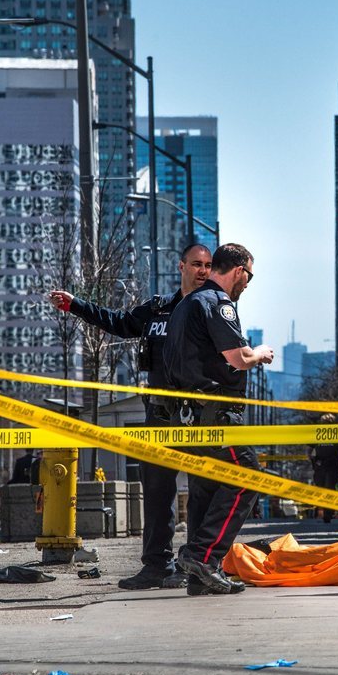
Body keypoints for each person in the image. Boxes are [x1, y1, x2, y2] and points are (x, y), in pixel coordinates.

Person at [48, 243, 213, 591]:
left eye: (208, 265)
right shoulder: (158, 309)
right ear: (181, 266)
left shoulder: (211, 310)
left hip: (199, 414)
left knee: (202, 490)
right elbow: (119, 323)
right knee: (157, 491)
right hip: (160, 414)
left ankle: (196, 565)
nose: (202, 271)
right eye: (196, 264)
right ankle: (156, 566)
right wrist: (76, 305)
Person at [163, 242, 275, 596]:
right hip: (215, 416)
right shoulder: (217, 303)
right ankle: (202, 557)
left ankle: (200, 577)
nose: (247, 285)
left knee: (206, 490)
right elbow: (238, 359)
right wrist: (260, 353)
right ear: (239, 271)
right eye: (249, 277)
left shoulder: (185, 305)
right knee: (246, 477)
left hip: (188, 416)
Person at [307, 414, 338, 523]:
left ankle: (328, 513)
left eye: (328, 423)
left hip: (333, 465)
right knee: (321, 487)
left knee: (329, 487)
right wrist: (313, 461)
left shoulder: (336, 434)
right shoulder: (317, 434)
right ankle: (325, 510)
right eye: (324, 423)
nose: (325, 425)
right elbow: (309, 450)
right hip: (321, 465)